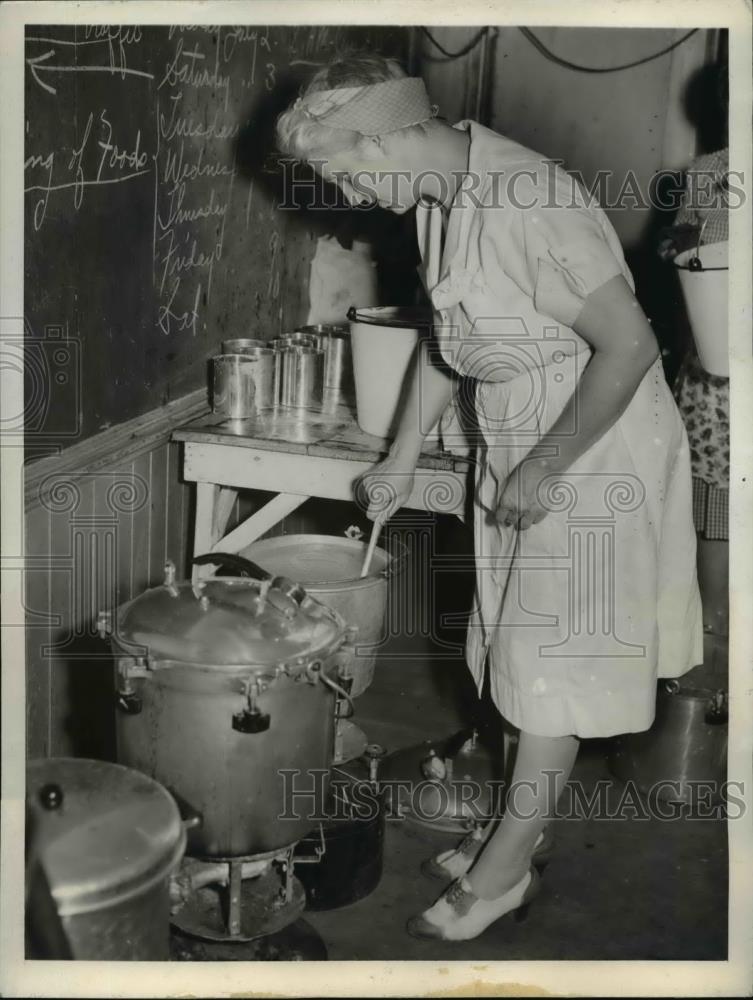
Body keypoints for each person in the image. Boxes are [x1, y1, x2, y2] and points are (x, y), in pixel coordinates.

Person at [276, 54, 703, 942]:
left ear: (392, 130)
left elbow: (628, 348)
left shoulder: (527, 201)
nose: (349, 191)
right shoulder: (436, 196)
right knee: (514, 647)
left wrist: (543, 465)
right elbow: (450, 337)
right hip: (517, 420)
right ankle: (518, 825)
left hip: (591, 435)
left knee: (555, 668)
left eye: (348, 168)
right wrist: (400, 454)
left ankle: (503, 872)